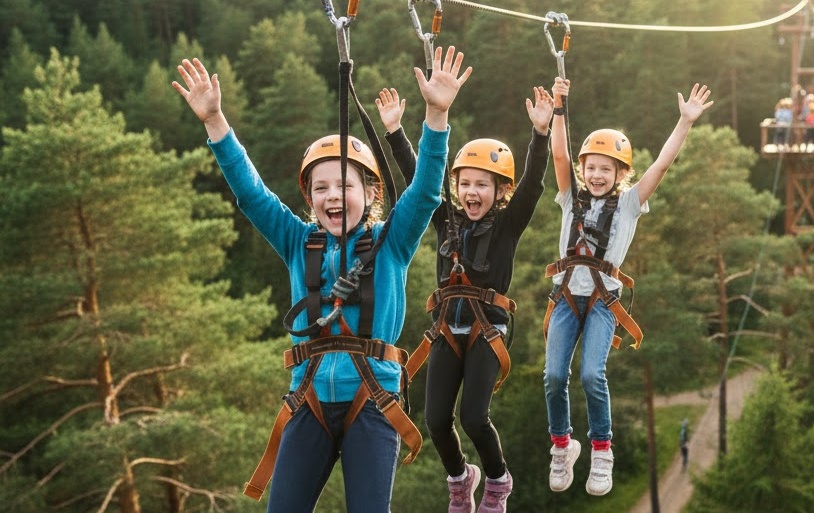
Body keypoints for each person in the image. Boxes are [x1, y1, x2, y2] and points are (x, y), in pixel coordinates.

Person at [171, 46, 472, 513]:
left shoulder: (392, 239)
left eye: (344, 186)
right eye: (320, 188)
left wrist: (436, 114)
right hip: (307, 397)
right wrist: (215, 124)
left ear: (370, 194)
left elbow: (428, 189)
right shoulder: (297, 240)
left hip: (373, 402)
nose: (332, 196)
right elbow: (251, 193)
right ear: (309, 198)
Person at [373, 84, 553, 513]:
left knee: (473, 417)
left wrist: (541, 135)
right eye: (466, 184)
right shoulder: (445, 218)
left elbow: (532, 185)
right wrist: (396, 131)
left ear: (499, 191)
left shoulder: (508, 225)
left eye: (483, 185)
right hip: (445, 329)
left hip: (486, 330)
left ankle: (496, 480)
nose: (473, 192)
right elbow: (422, 179)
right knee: (436, 421)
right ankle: (460, 479)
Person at [543, 77, 713, 496]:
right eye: (592, 168)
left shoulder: (631, 205)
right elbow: (560, 153)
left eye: (606, 169)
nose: (596, 175)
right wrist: (560, 108)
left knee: (590, 375)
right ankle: (562, 445)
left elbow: (661, 165)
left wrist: (685, 122)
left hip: (602, 301)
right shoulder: (570, 198)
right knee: (552, 375)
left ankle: (602, 449)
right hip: (565, 297)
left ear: (621, 174)